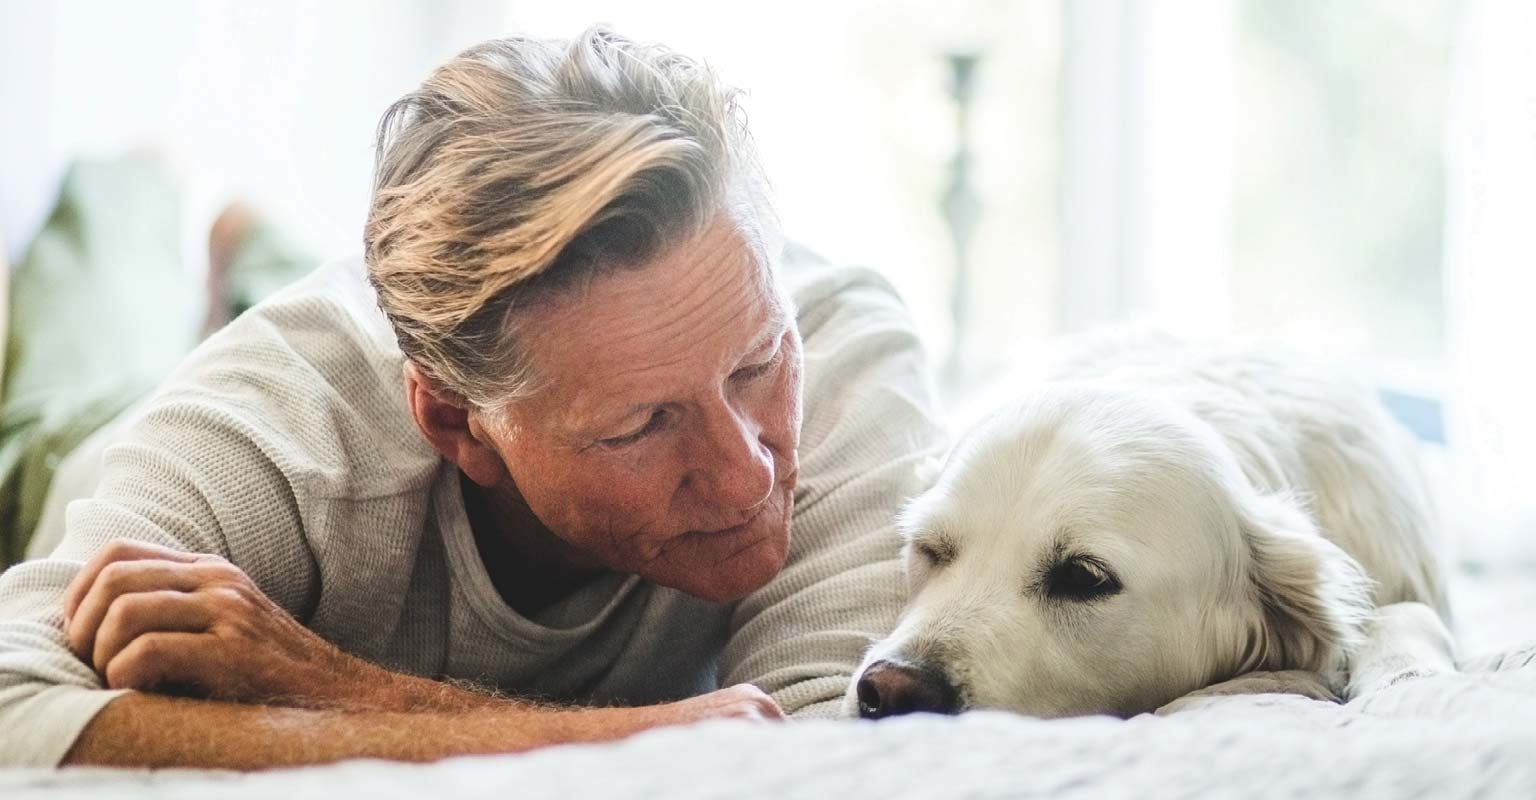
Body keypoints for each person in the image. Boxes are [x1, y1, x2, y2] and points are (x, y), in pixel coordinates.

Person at [0, 28, 946, 768]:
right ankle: (130, 186)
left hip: (403, 338)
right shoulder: (282, 429)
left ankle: (259, 244)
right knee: (69, 393)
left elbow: (824, 757)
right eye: (641, 424)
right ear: (458, 424)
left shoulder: (848, 351)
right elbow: (17, 710)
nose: (747, 477)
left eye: (756, 365)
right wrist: (637, 738)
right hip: (104, 433)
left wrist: (323, 684)